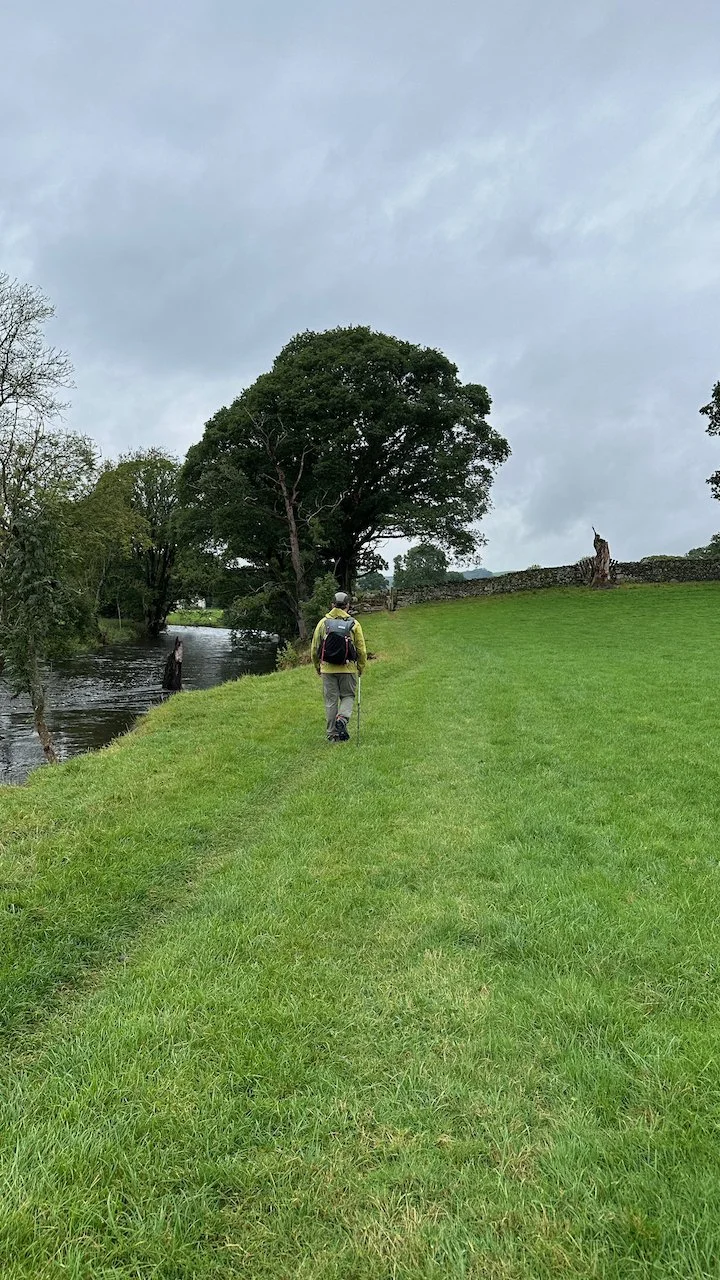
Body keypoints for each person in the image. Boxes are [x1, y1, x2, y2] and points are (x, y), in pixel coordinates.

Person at [311, 591, 367, 743]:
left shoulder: (323, 623)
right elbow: (361, 649)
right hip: (347, 668)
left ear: (332, 605)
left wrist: (318, 666)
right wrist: (361, 666)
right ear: (348, 606)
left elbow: (315, 647)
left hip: (328, 669)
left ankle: (333, 735)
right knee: (348, 696)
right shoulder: (354, 624)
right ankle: (342, 718)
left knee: (331, 701)